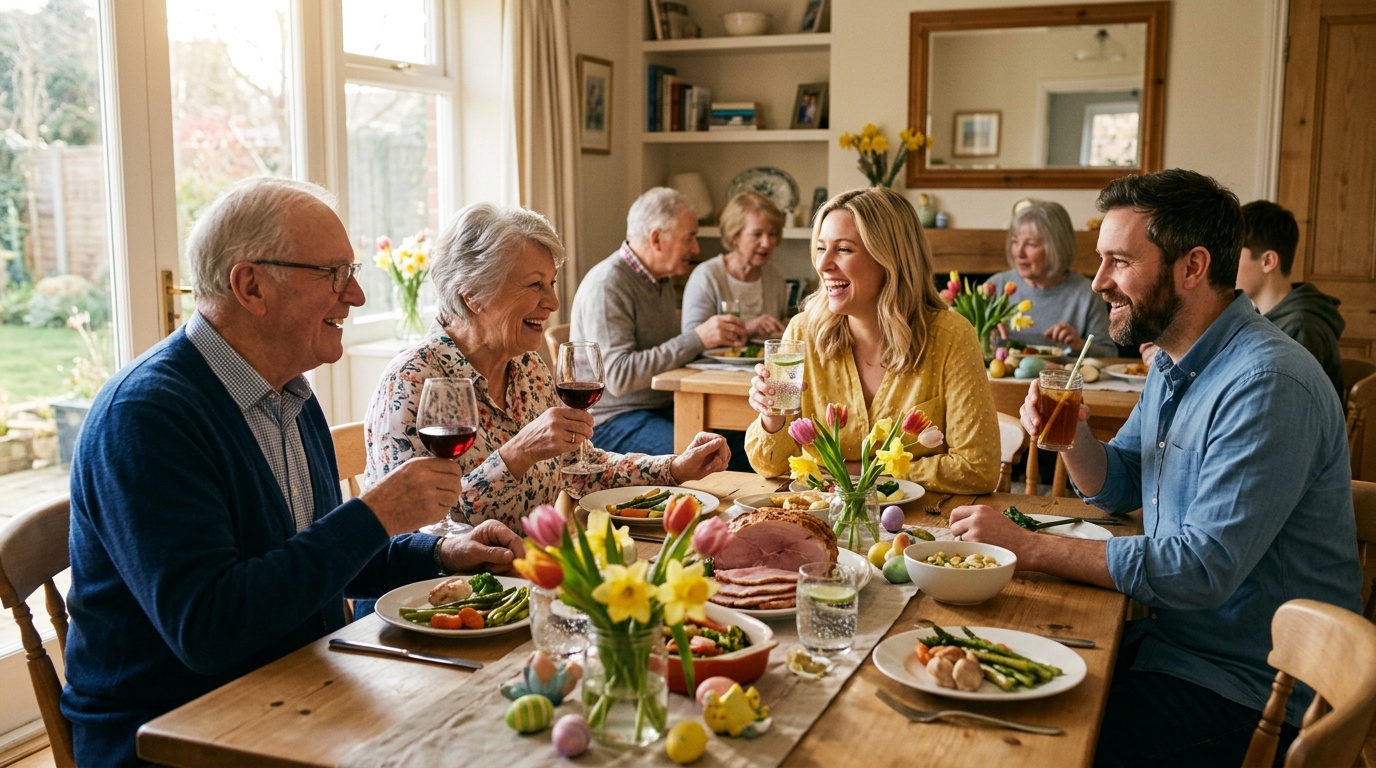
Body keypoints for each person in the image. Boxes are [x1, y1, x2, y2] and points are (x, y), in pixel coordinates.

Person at [59, 177, 525, 767]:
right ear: (250, 285)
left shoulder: (288, 396)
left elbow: (307, 560)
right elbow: (210, 628)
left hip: (301, 683)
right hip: (179, 734)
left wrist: (438, 554)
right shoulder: (148, 416)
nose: (355, 295)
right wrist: (375, 512)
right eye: (333, 274)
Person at [949, 169, 1361, 767]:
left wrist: (1026, 548)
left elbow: (1200, 568)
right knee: (989, 683)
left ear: (1191, 267)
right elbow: (1116, 486)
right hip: (1176, 645)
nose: (1098, 283)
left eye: (1119, 261)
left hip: (1252, 689)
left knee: (1015, 750)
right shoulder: (1175, 362)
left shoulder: (1266, 383)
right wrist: (1073, 434)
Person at [364, 201, 732, 532]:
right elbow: (412, 532)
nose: (554, 302)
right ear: (472, 295)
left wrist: (674, 468)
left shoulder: (527, 369)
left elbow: (582, 471)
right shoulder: (412, 382)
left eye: (551, 283)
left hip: (518, 578)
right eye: (535, 285)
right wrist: (517, 454)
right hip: (430, 597)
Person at [744, 187, 1000, 494]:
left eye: (844, 249)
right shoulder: (802, 332)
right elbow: (771, 466)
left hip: (922, 524)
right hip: (824, 517)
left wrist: (864, 471)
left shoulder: (950, 337)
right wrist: (772, 417)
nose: (823, 265)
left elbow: (978, 469)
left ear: (890, 259)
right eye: (821, 248)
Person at [570, 187, 746, 460]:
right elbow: (618, 376)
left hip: (661, 406)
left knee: (745, 440)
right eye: (690, 238)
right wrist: (697, 338)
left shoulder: (659, 279)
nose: (696, 249)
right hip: (611, 420)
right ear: (656, 239)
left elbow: (663, 354)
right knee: (707, 457)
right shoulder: (608, 285)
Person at [1234, 199, 1345, 398]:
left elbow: (1285, 404)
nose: (1226, 264)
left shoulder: (1300, 327)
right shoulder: (1263, 319)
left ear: (1268, 261)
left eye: (1234, 254)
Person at [989, 200, 1115, 357]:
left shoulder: (1086, 293)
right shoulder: (997, 286)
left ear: (1056, 248)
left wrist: (1078, 345)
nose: (1019, 253)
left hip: (1060, 380)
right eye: (1015, 242)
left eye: (1031, 244)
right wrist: (985, 333)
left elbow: (1109, 354)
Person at [680, 190, 790, 340]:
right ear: (734, 236)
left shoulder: (775, 277)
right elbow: (690, 340)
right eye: (757, 234)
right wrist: (747, 328)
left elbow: (781, 331)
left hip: (764, 363)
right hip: (709, 364)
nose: (766, 243)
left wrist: (782, 333)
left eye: (772, 234)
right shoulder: (706, 276)